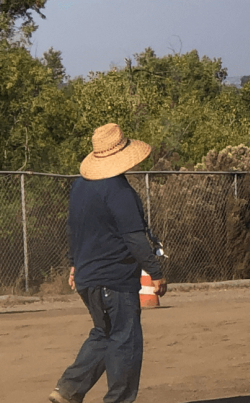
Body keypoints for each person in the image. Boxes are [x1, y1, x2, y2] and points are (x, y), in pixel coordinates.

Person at [49, 123, 166, 403]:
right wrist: (156, 272)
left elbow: (73, 229)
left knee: (105, 334)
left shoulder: (80, 186)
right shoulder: (119, 190)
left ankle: (68, 390)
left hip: (88, 278)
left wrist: (74, 263)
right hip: (115, 279)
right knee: (126, 341)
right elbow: (134, 237)